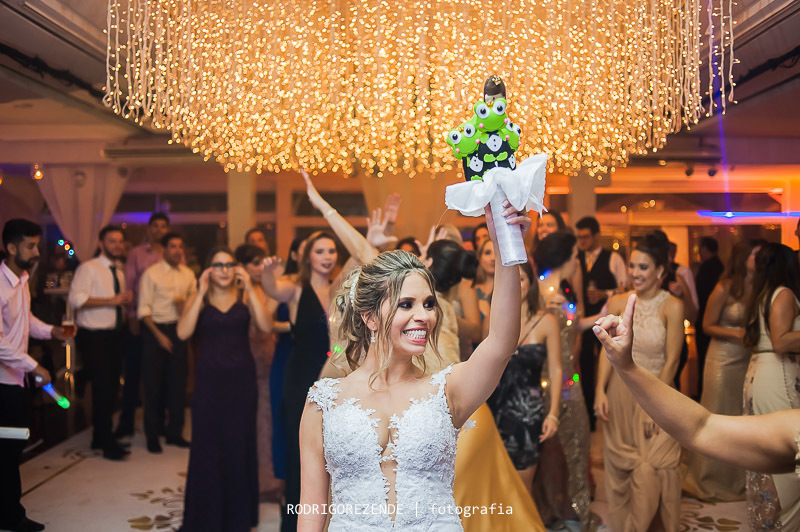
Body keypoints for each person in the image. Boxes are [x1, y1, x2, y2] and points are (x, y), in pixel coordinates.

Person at [298, 203, 525, 531]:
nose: (424, 315)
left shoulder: (447, 391)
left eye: (429, 304)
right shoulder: (323, 402)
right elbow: (311, 509)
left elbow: (502, 342)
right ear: (370, 317)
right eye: (407, 304)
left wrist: (507, 243)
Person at [592, 295, 800, 477]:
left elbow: (701, 428)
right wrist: (626, 367)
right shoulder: (795, 428)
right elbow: (701, 429)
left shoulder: (672, 305)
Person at [594, 231, 684, 532]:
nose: (634, 273)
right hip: (621, 392)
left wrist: (653, 406)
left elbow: (672, 361)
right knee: (623, 470)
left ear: (660, 270)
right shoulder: (619, 300)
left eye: (642, 267)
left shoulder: (672, 305)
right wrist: (599, 390)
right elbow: (607, 350)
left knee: (659, 464)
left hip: (658, 390)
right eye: (632, 266)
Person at [177, 248, 272, 531]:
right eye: (217, 264)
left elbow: (266, 326)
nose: (224, 269)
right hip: (208, 384)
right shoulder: (200, 297)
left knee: (239, 444)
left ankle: (238, 518)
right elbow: (183, 333)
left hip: (242, 383)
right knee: (207, 446)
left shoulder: (244, 296)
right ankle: (206, 517)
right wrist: (199, 289)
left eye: (229, 264)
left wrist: (251, 289)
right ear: (208, 269)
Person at [0, 219, 67, 532]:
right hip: (3, 383)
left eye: (37, 245)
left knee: (12, 447)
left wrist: (51, 330)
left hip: (17, 378)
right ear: (11, 248)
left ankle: (8, 511)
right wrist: (34, 365)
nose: (37, 251)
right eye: (30, 246)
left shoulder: (22, 279)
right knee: (7, 448)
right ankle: (11, 516)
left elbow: (23, 320)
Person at [683, 239, 760, 501]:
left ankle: (738, 479)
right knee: (718, 413)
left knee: (742, 416)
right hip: (723, 359)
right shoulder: (725, 287)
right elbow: (706, 325)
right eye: (756, 255)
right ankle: (707, 477)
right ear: (744, 258)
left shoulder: (762, 287)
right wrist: (737, 333)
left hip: (748, 358)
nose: (760, 260)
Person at [531, 231, 597, 531]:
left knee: (578, 445)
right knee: (551, 450)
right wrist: (544, 308)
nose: (576, 261)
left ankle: (574, 510)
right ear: (564, 257)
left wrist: (601, 317)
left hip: (572, 380)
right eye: (574, 256)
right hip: (551, 382)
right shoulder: (541, 293)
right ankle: (552, 511)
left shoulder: (565, 289)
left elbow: (573, 327)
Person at [487, 261, 562, 493]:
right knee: (494, 485)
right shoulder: (493, 318)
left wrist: (553, 414)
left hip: (527, 414)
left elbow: (557, 369)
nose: (515, 284)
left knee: (522, 487)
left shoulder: (546, 322)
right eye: (511, 278)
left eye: (521, 279)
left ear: (530, 284)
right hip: (494, 410)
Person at [741, 243, 800, 530]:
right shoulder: (784, 294)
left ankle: (769, 520)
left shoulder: (761, 293)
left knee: (764, 452)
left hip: (760, 372)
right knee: (784, 453)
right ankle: (781, 523)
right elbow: (781, 341)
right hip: (777, 376)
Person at [68, 225, 133, 460]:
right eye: (112, 241)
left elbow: (116, 302)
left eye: (120, 241)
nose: (117, 245)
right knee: (103, 388)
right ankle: (106, 442)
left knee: (111, 387)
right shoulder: (88, 268)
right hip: (94, 336)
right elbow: (76, 300)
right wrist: (111, 300)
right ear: (101, 243)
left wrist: (123, 301)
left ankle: (101, 436)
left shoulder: (119, 270)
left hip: (115, 334)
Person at [137, 233, 196, 453]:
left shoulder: (188, 274)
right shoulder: (151, 274)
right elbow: (143, 310)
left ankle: (175, 433)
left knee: (178, 385)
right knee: (153, 386)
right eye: (173, 246)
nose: (178, 250)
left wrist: (185, 311)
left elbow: (193, 303)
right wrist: (159, 336)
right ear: (164, 250)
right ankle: (153, 435)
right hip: (156, 330)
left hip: (179, 330)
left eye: (180, 246)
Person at [235, 243, 284, 501]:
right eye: (253, 263)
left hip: (265, 357)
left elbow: (267, 323)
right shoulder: (232, 290)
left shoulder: (269, 288)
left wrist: (285, 326)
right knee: (241, 419)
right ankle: (242, 479)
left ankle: (268, 482)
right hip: (238, 358)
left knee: (266, 418)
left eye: (260, 262)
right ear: (241, 266)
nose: (258, 268)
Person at [117, 212, 171, 438]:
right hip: (140, 319)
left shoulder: (172, 254)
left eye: (163, 226)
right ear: (149, 229)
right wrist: (131, 318)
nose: (159, 230)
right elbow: (130, 287)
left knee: (161, 375)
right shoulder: (136, 254)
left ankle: (158, 424)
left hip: (164, 322)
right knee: (133, 373)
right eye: (155, 226)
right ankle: (126, 423)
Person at [575, 216, 626, 430]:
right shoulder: (575, 259)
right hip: (583, 323)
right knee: (584, 366)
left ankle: (608, 404)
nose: (582, 241)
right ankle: (589, 415)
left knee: (609, 361)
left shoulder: (612, 258)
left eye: (585, 237)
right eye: (579, 237)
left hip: (608, 321)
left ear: (596, 236)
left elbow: (625, 287)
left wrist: (604, 293)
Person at [694, 236, 725, 398]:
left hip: (706, 320)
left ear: (705, 249)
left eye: (700, 248)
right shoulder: (720, 266)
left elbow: (700, 295)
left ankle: (703, 394)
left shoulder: (707, 268)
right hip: (716, 320)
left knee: (705, 360)